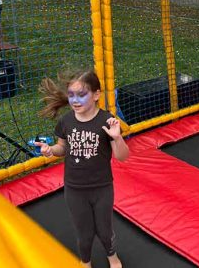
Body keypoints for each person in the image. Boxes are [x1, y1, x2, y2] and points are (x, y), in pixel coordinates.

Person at [34, 70, 130, 268]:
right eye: (71, 95)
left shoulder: (107, 121)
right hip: (75, 188)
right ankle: (85, 262)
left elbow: (122, 156)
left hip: (101, 187)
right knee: (83, 232)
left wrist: (117, 136)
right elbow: (62, 148)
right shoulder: (66, 121)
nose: (75, 100)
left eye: (81, 94)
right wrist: (50, 150)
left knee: (104, 229)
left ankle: (112, 256)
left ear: (96, 95)